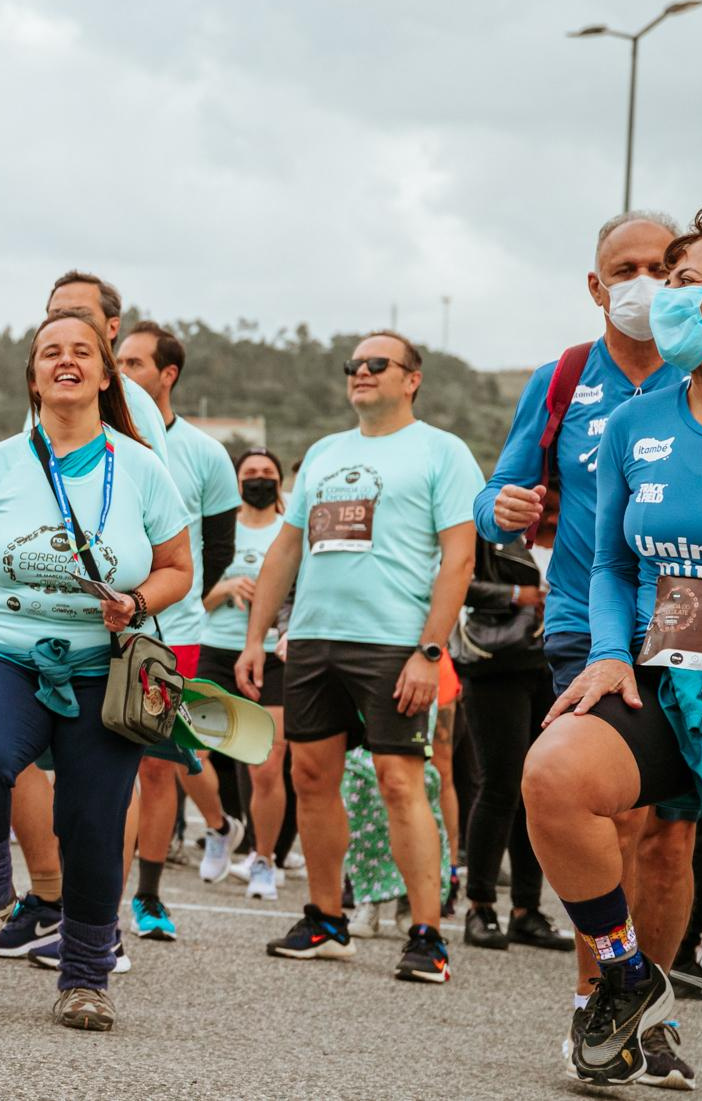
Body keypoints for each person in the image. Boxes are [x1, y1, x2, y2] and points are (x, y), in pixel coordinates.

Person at [0, 309, 190, 1033]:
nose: (64, 361)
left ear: (105, 373)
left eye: (81, 352)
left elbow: (179, 570)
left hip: (103, 664)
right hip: (2, 648)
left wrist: (135, 600)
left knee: (93, 820)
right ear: (33, 378)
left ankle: (87, 976)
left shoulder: (141, 468)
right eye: (48, 353)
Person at [478, 211, 695, 1068]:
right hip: (587, 623)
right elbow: (498, 488)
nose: (644, 282)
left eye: (661, 266)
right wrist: (500, 505)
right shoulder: (567, 379)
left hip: (691, 637)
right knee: (610, 810)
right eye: (626, 267)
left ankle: (653, 1013)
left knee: (669, 836)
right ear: (597, 286)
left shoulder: (691, 387)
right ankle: (597, 1001)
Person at [238, 330, 481, 984]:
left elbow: (460, 557)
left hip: (393, 642)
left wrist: (430, 650)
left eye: (379, 363)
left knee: (400, 781)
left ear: (412, 378)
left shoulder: (442, 452)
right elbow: (284, 551)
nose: (362, 372)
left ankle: (427, 931)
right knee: (310, 778)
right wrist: (256, 637)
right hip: (315, 637)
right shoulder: (323, 452)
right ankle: (325, 919)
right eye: (354, 364)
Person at [116, 321, 243, 940]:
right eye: (119, 362)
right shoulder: (99, 441)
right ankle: (85, 898)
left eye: (135, 363)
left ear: (167, 375)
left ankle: (148, 896)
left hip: (173, 627)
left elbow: (219, 547)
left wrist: (178, 596)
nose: (123, 374)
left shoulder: (206, 453)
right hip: (103, 623)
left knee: (156, 767)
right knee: (102, 762)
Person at [451, 532, 571, 955]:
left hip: (555, 664)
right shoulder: (491, 530)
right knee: (500, 784)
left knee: (539, 791)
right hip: (495, 663)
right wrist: (516, 594)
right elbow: (455, 580)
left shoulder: (584, 524)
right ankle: (479, 907)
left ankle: (527, 911)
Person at [199, 448, 294, 900]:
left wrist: (284, 623)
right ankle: (220, 827)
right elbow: (188, 597)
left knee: (268, 763)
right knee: (191, 755)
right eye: (250, 473)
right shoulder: (221, 533)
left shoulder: (289, 532)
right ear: (236, 482)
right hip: (214, 649)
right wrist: (226, 588)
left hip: (273, 657)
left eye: (267, 473)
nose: (259, 479)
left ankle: (264, 859)